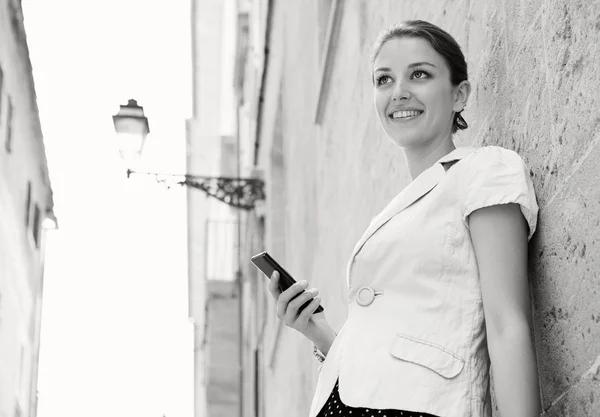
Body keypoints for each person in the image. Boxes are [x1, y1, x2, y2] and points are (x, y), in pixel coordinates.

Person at [268, 20, 541, 417]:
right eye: (384, 80)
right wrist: (319, 332)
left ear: (459, 94)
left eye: (419, 74)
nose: (399, 92)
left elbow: (507, 324)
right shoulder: (390, 212)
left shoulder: (485, 169)